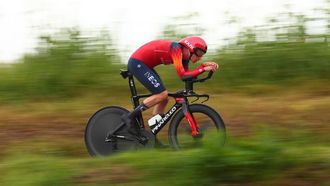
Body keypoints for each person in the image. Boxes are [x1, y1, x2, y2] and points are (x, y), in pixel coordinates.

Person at [124, 36, 219, 127]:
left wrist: (202, 68)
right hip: (137, 63)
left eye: (202, 55)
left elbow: (186, 77)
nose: (200, 57)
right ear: (190, 48)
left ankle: (153, 135)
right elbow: (183, 75)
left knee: (164, 99)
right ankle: (129, 117)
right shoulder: (176, 49)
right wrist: (202, 69)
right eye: (199, 53)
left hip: (145, 65)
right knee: (162, 94)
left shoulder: (184, 58)